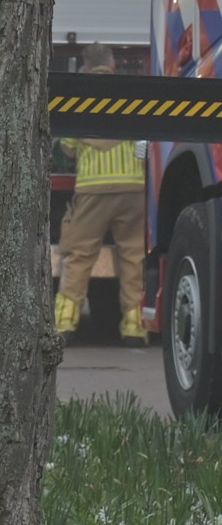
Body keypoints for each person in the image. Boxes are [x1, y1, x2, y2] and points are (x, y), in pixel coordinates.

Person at [55, 44, 147, 346]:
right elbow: (144, 144)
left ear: (84, 68)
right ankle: (135, 325)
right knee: (133, 257)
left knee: (79, 255)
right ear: (113, 64)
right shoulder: (130, 93)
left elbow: (67, 147)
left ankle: (65, 322)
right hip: (133, 188)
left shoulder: (81, 96)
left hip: (93, 189)